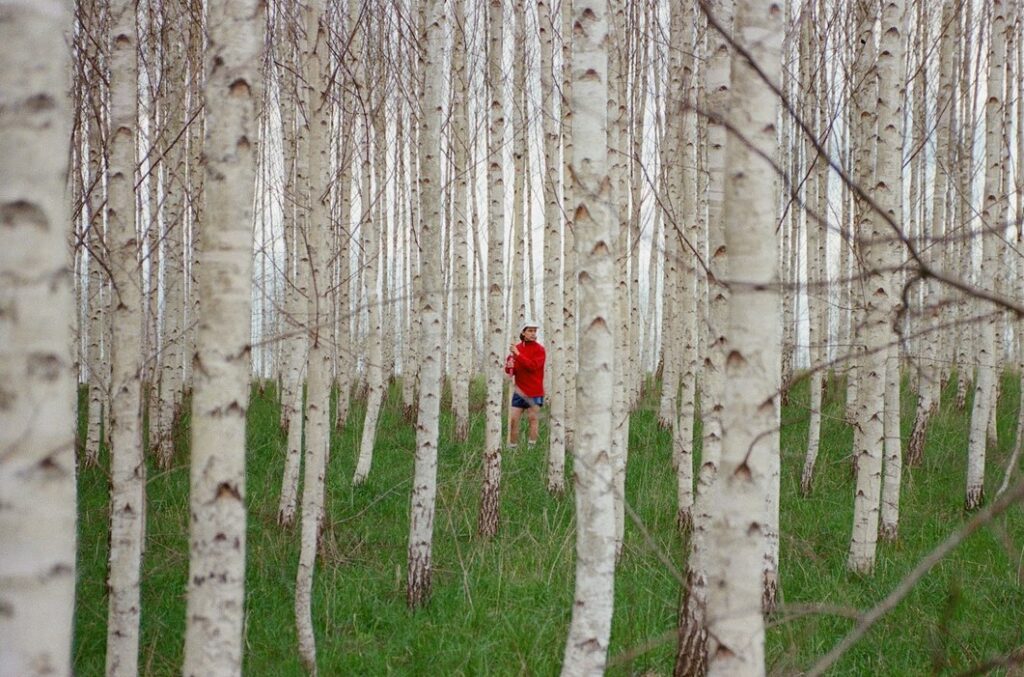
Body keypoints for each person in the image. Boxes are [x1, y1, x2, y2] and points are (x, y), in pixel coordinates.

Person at [505, 320, 546, 448]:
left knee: (533, 420)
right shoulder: (515, 349)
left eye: (535, 331)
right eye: (530, 330)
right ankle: (512, 449)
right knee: (513, 421)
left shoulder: (540, 350)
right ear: (523, 332)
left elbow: (532, 366)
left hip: (534, 392)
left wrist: (518, 354)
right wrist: (509, 366)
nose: (533, 333)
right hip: (519, 392)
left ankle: (531, 449)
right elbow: (511, 371)